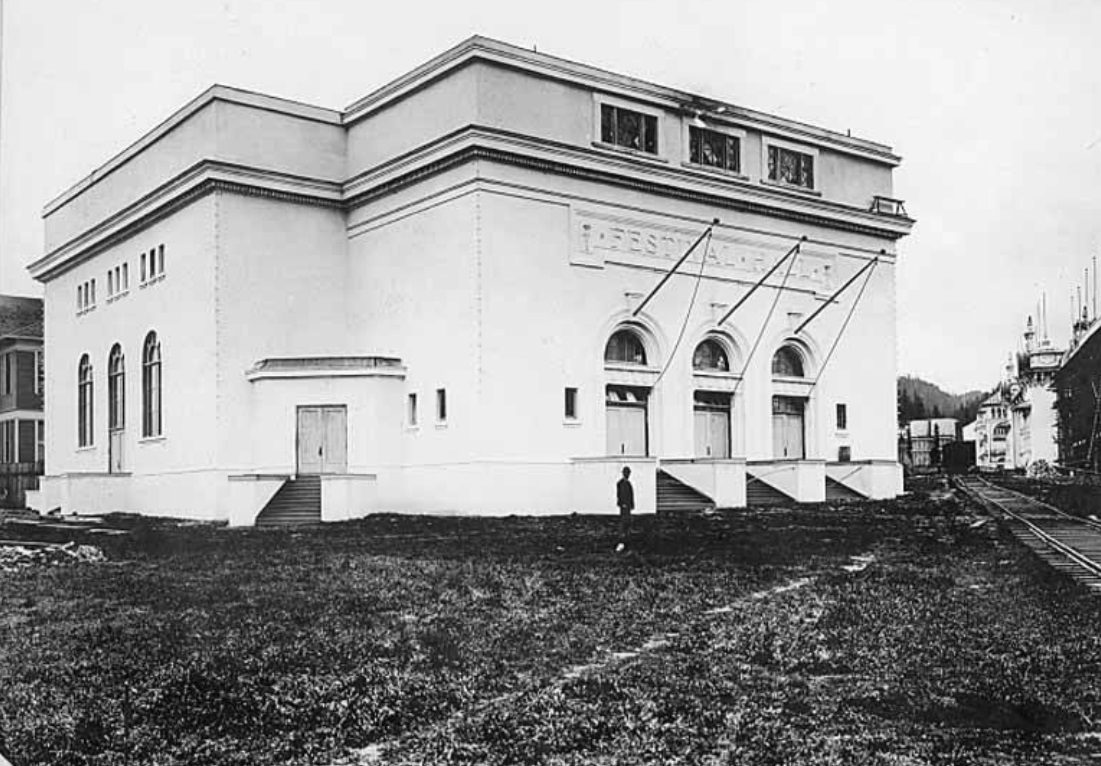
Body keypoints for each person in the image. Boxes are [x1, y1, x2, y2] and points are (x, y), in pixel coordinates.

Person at [616, 466, 634, 550]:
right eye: (626, 473)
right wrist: (623, 504)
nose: (627, 474)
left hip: (627, 507)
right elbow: (620, 495)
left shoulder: (627, 483)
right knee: (623, 523)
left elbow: (630, 495)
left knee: (627, 523)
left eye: (628, 473)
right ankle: (621, 542)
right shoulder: (621, 483)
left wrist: (631, 505)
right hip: (624, 507)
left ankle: (626, 541)